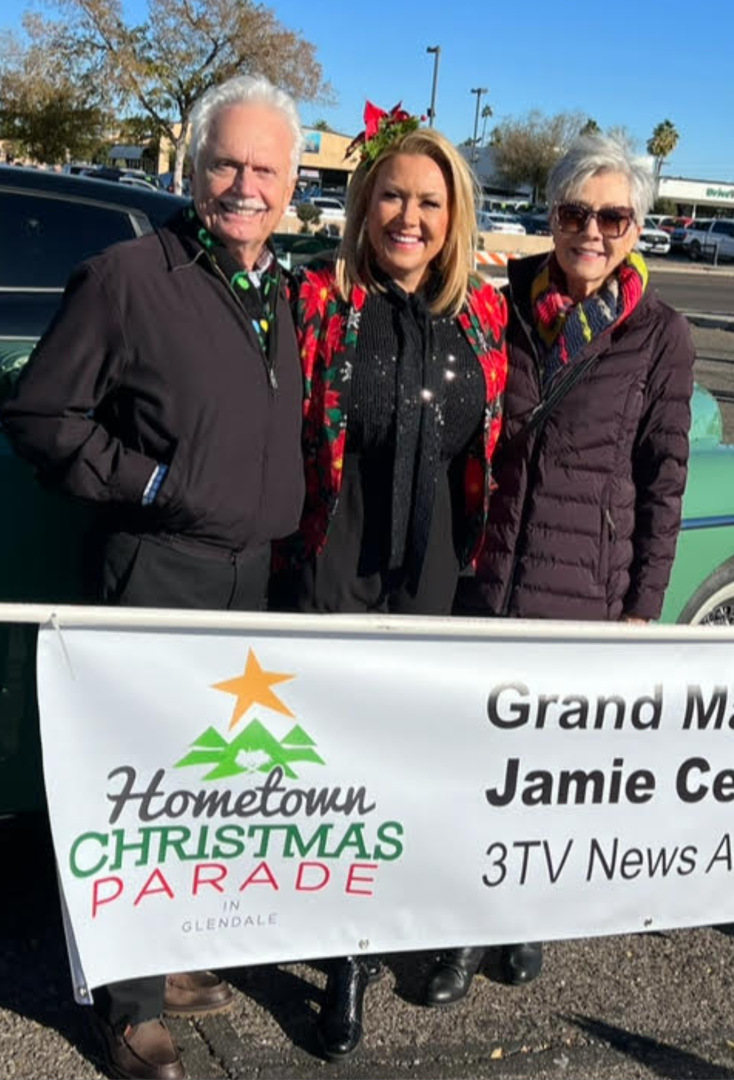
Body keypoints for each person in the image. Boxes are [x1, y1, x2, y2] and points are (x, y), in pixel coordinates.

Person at [0, 74, 304, 1080]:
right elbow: (43, 417)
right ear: (193, 164)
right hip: (154, 570)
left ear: (293, 180)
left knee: (208, 791)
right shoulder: (129, 276)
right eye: (228, 162)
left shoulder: (282, 290)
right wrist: (153, 482)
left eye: (266, 167)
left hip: (247, 578)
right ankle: (128, 1009)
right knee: (137, 791)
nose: (245, 184)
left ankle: (163, 961)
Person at [276, 111, 508, 1060]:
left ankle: (405, 922)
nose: (408, 217)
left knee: (417, 765)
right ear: (365, 205)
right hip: (340, 560)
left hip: (437, 577)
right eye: (393, 197)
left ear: (454, 217)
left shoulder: (485, 314)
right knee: (339, 768)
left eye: (428, 201)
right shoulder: (321, 302)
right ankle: (341, 961)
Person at [456, 132, 696, 1001]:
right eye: (574, 212)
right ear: (550, 216)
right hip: (486, 573)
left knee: (544, 772)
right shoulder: (499, 306)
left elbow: (664, 477)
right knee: (475, 761)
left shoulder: (662, 335)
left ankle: (522, 920)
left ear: (637, 225)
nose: (592, 231)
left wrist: (644, 606)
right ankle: (456, 926)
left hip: (583, 586)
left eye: (613, 215)